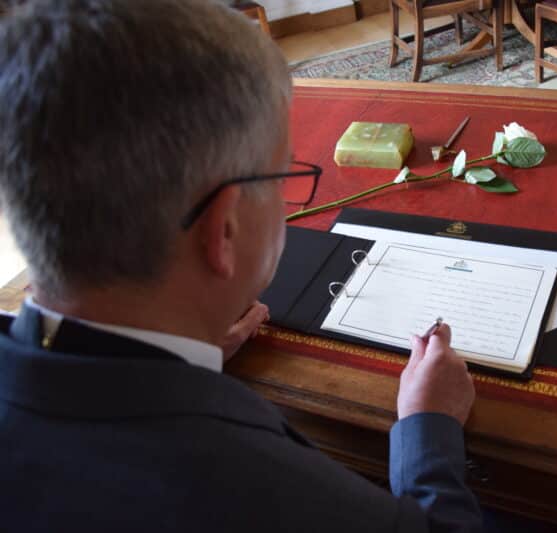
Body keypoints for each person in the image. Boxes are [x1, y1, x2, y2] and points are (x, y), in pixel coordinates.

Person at [0, 0, 482, 531]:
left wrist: (185, 342)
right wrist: (429, 429)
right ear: (224, 230)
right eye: (281, 180)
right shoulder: (253, 490)